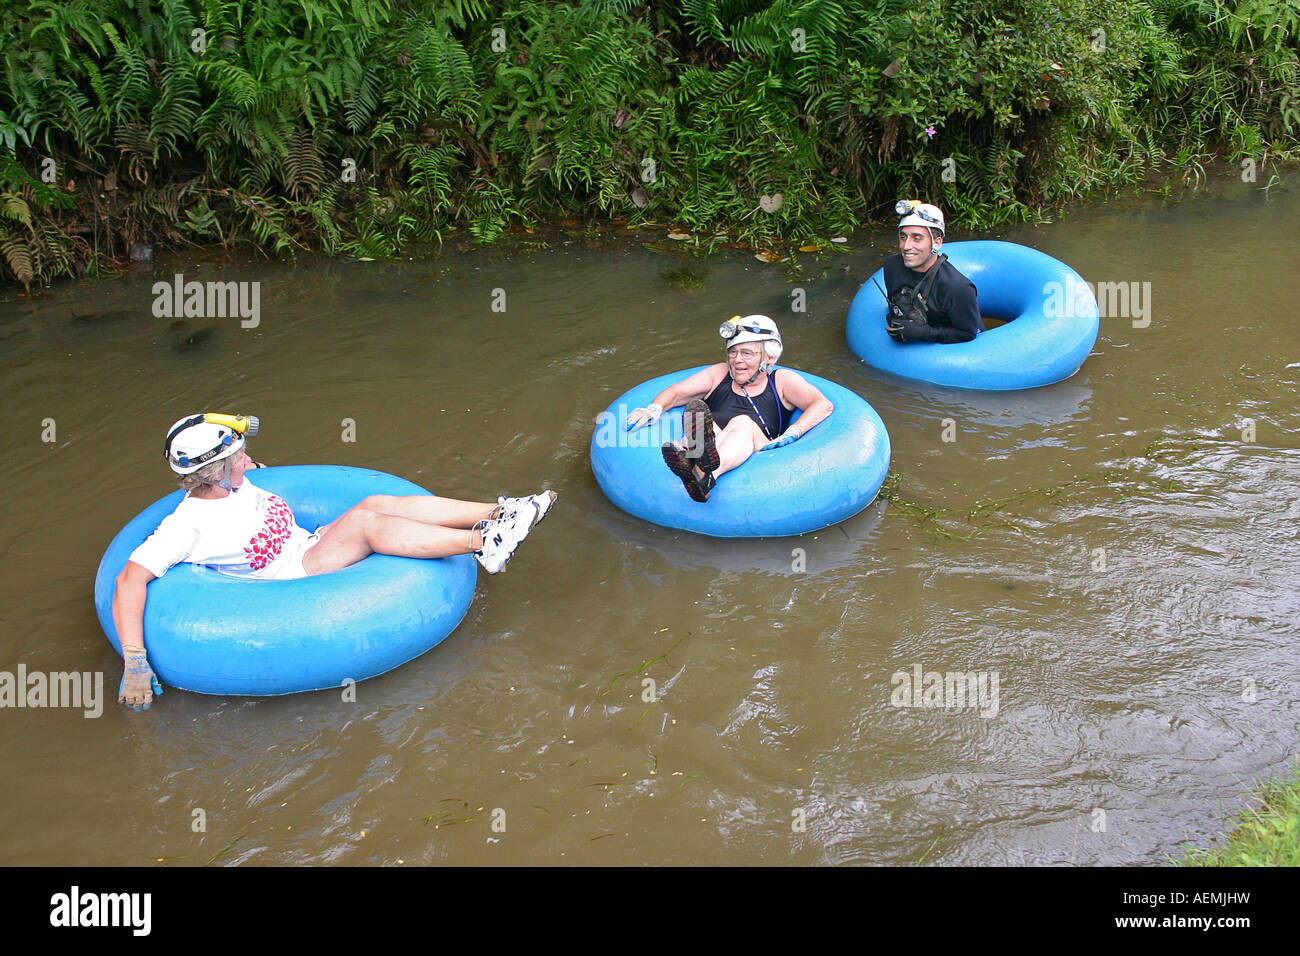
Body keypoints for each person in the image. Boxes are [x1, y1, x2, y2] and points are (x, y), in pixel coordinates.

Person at [112, 412, 556, 711]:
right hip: (296, 577)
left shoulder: (238, 484)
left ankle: (500, 512)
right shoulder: (186, 526)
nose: (247, 460)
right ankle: (484, 543)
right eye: (238, 457)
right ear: (216, 472)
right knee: (366, 522)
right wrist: (135, 658)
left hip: (309, 543)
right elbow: (129, 580)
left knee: (377, 501)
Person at [624, 315, 834, 502]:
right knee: (698, 417)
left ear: (768, 357)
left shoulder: (782, 381)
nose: (737, 360)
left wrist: (792, 433)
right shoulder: (720, 374)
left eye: (746, 353)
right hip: (715, 443)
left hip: (760, 449)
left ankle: (705, 477)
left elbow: (823, 405)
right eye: (733, 352)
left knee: (741, 422)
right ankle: (694, 462)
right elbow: (677, 393)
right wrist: (653, 409)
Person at [882, 200, 983, 344]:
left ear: (938, 243)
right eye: (903, 237)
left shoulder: (957, 287)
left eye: (917, 238)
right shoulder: (892, 265)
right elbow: (892, 303)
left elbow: (967, 333)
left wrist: (922, 332)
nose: (906, 246)